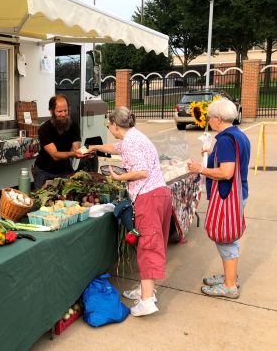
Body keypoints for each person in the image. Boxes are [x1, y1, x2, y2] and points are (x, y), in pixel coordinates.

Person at [88, 106, 172, 317]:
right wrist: (95, 147)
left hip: (148, 197)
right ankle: (146, 289)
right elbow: (117, 148)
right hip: (159, 194)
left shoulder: (132, 142)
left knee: (148, 246)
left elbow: (141, 171)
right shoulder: (134, 137)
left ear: (116, 125)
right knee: (150, 243)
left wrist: (118, 177)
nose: (110, 128)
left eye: (109, 125)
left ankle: (147, 301)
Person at [187, 98, 250, 299]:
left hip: (227, 196)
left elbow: (226, 173)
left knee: (226, 240)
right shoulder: (238, 135)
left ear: (219, 118)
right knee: (228, 238)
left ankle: (230, 285)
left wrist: (201, 169)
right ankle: (229, 276)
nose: (208, 120)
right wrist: (212, 153)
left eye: (210, 117)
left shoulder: (224, 140)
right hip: (239, 193)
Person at [32, 94, 87, 189]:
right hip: (44, 171)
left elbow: (76, 149)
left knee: (71, 198)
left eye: (65, 110)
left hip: (65, 170)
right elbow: (55, 155)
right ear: (51, 111)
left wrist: (84, 153)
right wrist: (74, 153)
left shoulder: (73, 124)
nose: (64, 114)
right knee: (43, 199)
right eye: (59, 111)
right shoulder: (44, 129)